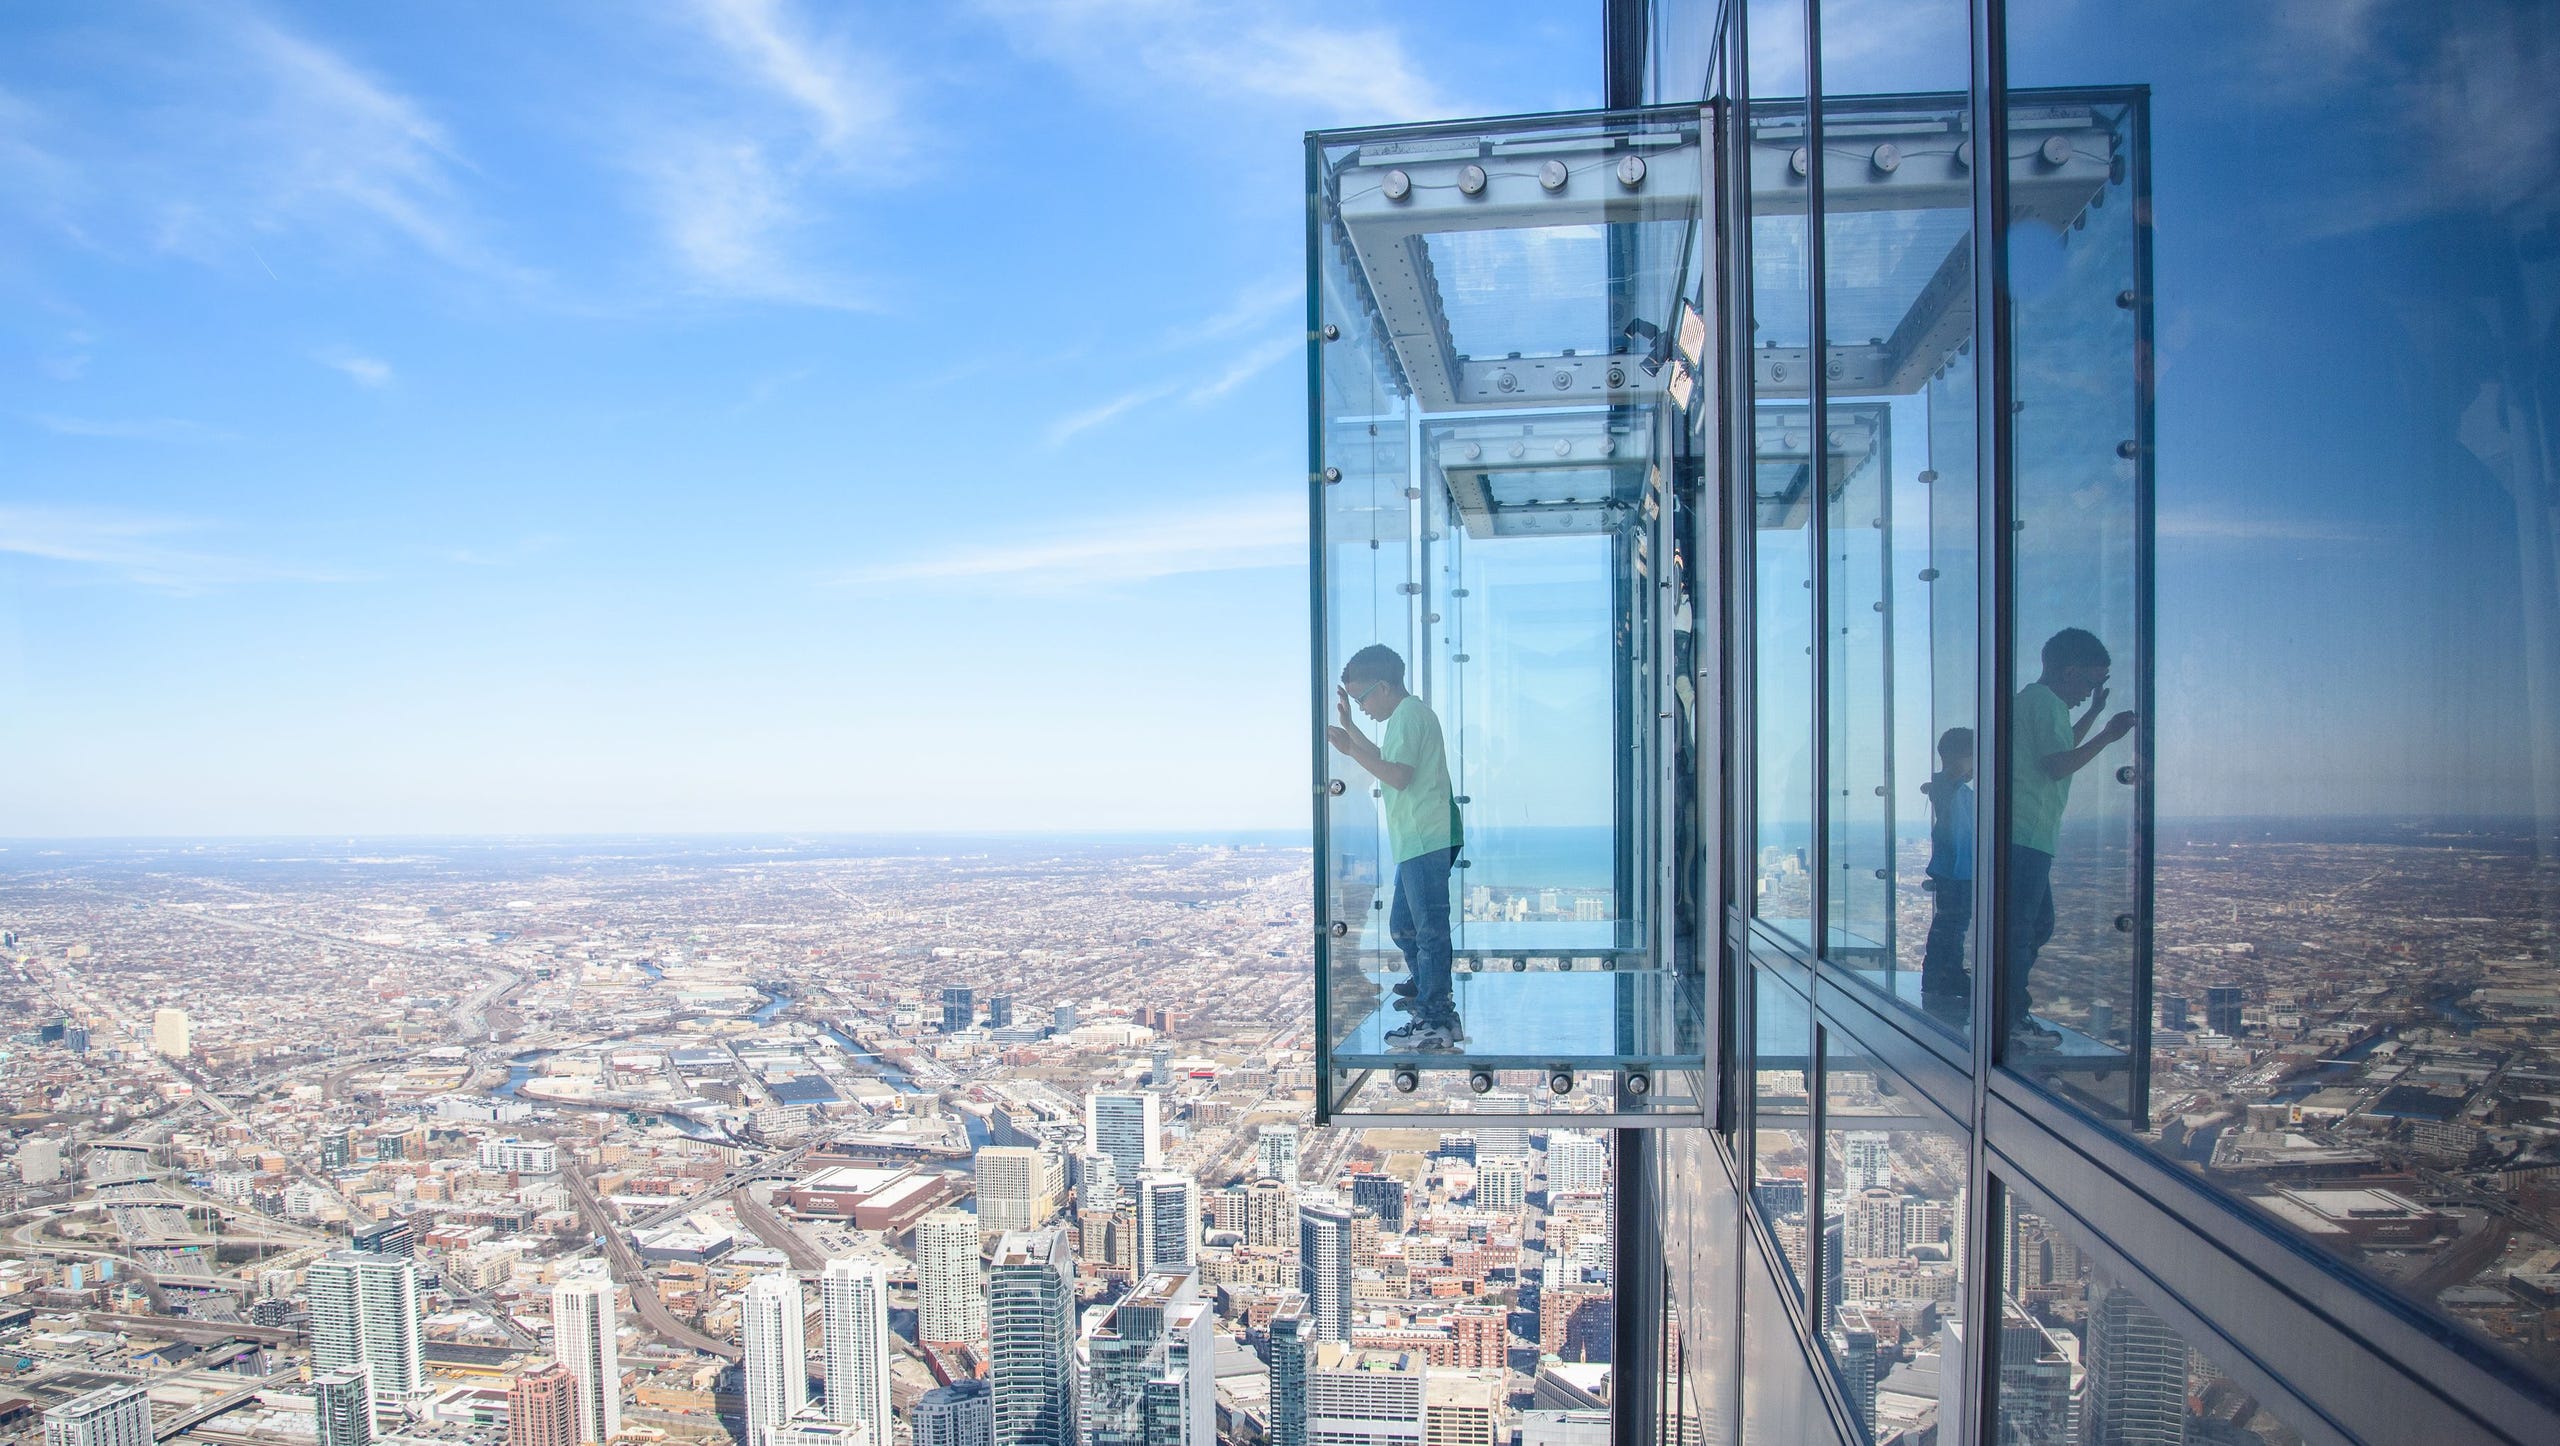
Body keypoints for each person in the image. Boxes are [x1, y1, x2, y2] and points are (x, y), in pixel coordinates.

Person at [1326, 644, 1464, 1052]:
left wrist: (1351, 749)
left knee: (1427, 931)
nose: (1363, 707)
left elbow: (1398, 776)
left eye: (1362, 699)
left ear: (1383, 687)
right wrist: (1351, 730)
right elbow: (1388, 759)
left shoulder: (1408, 716)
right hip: (1420, 838)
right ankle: (1428, 991)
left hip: (1425, 837)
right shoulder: (1409, 715)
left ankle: (1435, 1017)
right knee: (1404, 925)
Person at [2008, 628, 2137, 1050]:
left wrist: (2096, 714)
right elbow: (2057, 764)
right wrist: (2108, 736)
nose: (2089, 692)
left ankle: (2008, 1010)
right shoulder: (2045, 705)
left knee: (2033, 925)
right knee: (2025, 928)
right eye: (2090, 683)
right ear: (2069, 670)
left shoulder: (2032, 701)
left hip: (2024, 834)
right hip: (2028, 835)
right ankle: (2009, 1018)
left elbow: (2059, 747)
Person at [1918, 726, 1975, 1025]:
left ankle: (1947, 972)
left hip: (1960, 870)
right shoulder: (1943, 785)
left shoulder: (1959, 789)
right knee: (1950, 926)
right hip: (1955, 871)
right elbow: (1949, 780)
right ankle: (1942, 974)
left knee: (1954, 925)